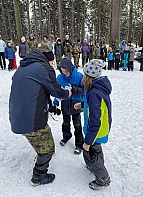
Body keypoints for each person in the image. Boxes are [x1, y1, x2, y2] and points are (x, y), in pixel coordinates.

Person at [9, 50, 71, 186]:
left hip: (17, 116)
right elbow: (57, 91)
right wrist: (68, 92)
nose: (52, 65)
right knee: (48, 148)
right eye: (52, 62)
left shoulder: (23, 67)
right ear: (48, 60)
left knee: (40, 138)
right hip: (31, 119)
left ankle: (41, 152)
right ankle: (38, 176)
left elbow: (37, 91)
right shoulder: (44, 68)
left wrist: (50, 107)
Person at [74, 59, 112, 190]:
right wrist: (83, 105)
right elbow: (96, 107)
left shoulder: (94, 93)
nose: (82, 77)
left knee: (90, 153)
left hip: (96, 131)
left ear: (89, 77)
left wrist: (88, 141)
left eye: (84, 75)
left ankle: (103, 178)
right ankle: (96, 165)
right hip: (97, 130)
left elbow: (95, 121)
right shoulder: (97, 88)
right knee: (96, 150)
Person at [53, 57, 84, 154]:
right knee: (65, 122)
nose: (65, 73)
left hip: (76, 104)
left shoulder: (79, 76)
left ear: (70, 67)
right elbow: (58, 92)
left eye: (66, 71)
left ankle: (79, 143)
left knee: (77, 124)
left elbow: (85, 91)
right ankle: (66, 136)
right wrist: (55, 102)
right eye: (62, 71)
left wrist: (74, 89)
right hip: (65, 104)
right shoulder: (59, 78)